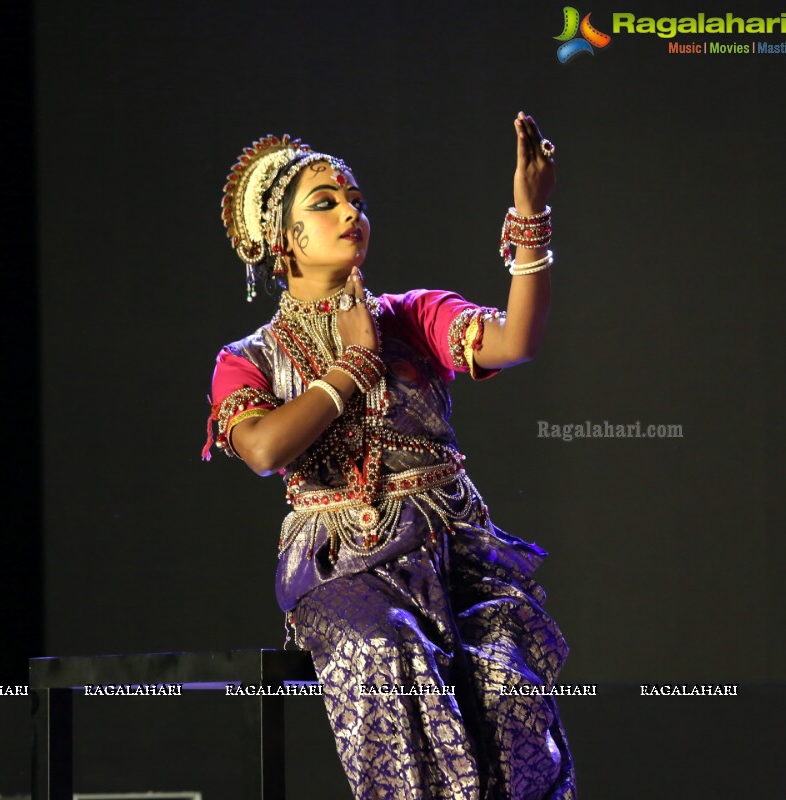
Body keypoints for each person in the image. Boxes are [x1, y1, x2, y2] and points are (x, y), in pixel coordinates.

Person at [202, 115, 577, 799]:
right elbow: (261, 449)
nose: (350, 211)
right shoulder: (249, 358)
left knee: (504, 685)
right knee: (386, 652)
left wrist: (532, 214)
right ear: (284, 240)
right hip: (344, 567)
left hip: (455, 552)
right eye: (325, 202)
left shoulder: (412, 315)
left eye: (356, 201)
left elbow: (516, 339)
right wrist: (354, 364)